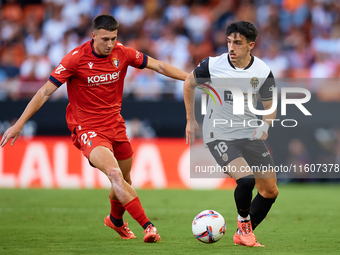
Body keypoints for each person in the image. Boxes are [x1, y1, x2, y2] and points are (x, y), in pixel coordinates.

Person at [0, 14, 188, 243]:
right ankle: (148, 226)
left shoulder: (123, 52)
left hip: (116, 126)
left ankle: (116, 221)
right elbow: (44, 92)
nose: (110, 44)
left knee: (125, 179)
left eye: (113, 38)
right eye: (105, 39)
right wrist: (19, 123)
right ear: (94, 36)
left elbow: (158, 65)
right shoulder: (75, 59)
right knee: (114, 173)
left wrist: (190, 79)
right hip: (88, 129)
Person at [183, 21, 279, 247]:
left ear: (251, 45)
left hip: (250, 134)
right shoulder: (213, 65)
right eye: (229, 42)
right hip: (220, 134)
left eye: (237, 43)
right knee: (246, 180)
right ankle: (245, 228)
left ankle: (241, 233)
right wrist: (191, 119)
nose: (231, 47)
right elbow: (189, 83)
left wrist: (265, 125)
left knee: (270, 191)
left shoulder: (263, 71)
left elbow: (270, 104)